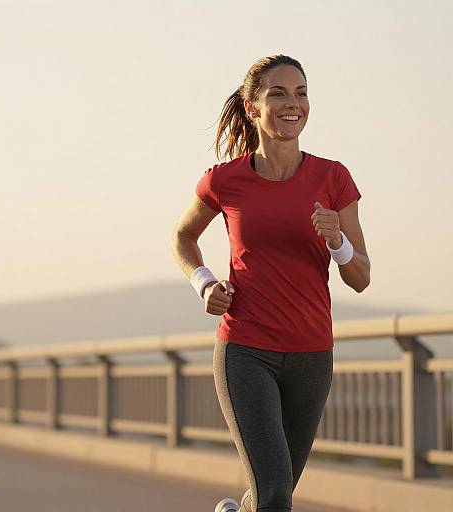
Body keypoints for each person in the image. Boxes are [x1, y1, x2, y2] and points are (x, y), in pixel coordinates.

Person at [171, 54, 370, 512]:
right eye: (278, 93)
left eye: (300, 92)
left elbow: (360, 277)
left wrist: (336, 241)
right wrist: (203, 283)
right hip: (246, 350)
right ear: (252, 106)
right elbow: (182, 236)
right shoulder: (225, 181)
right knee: (276, 492)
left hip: (312, 356)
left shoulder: (333, 178)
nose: (292, 103)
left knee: (270, 495)